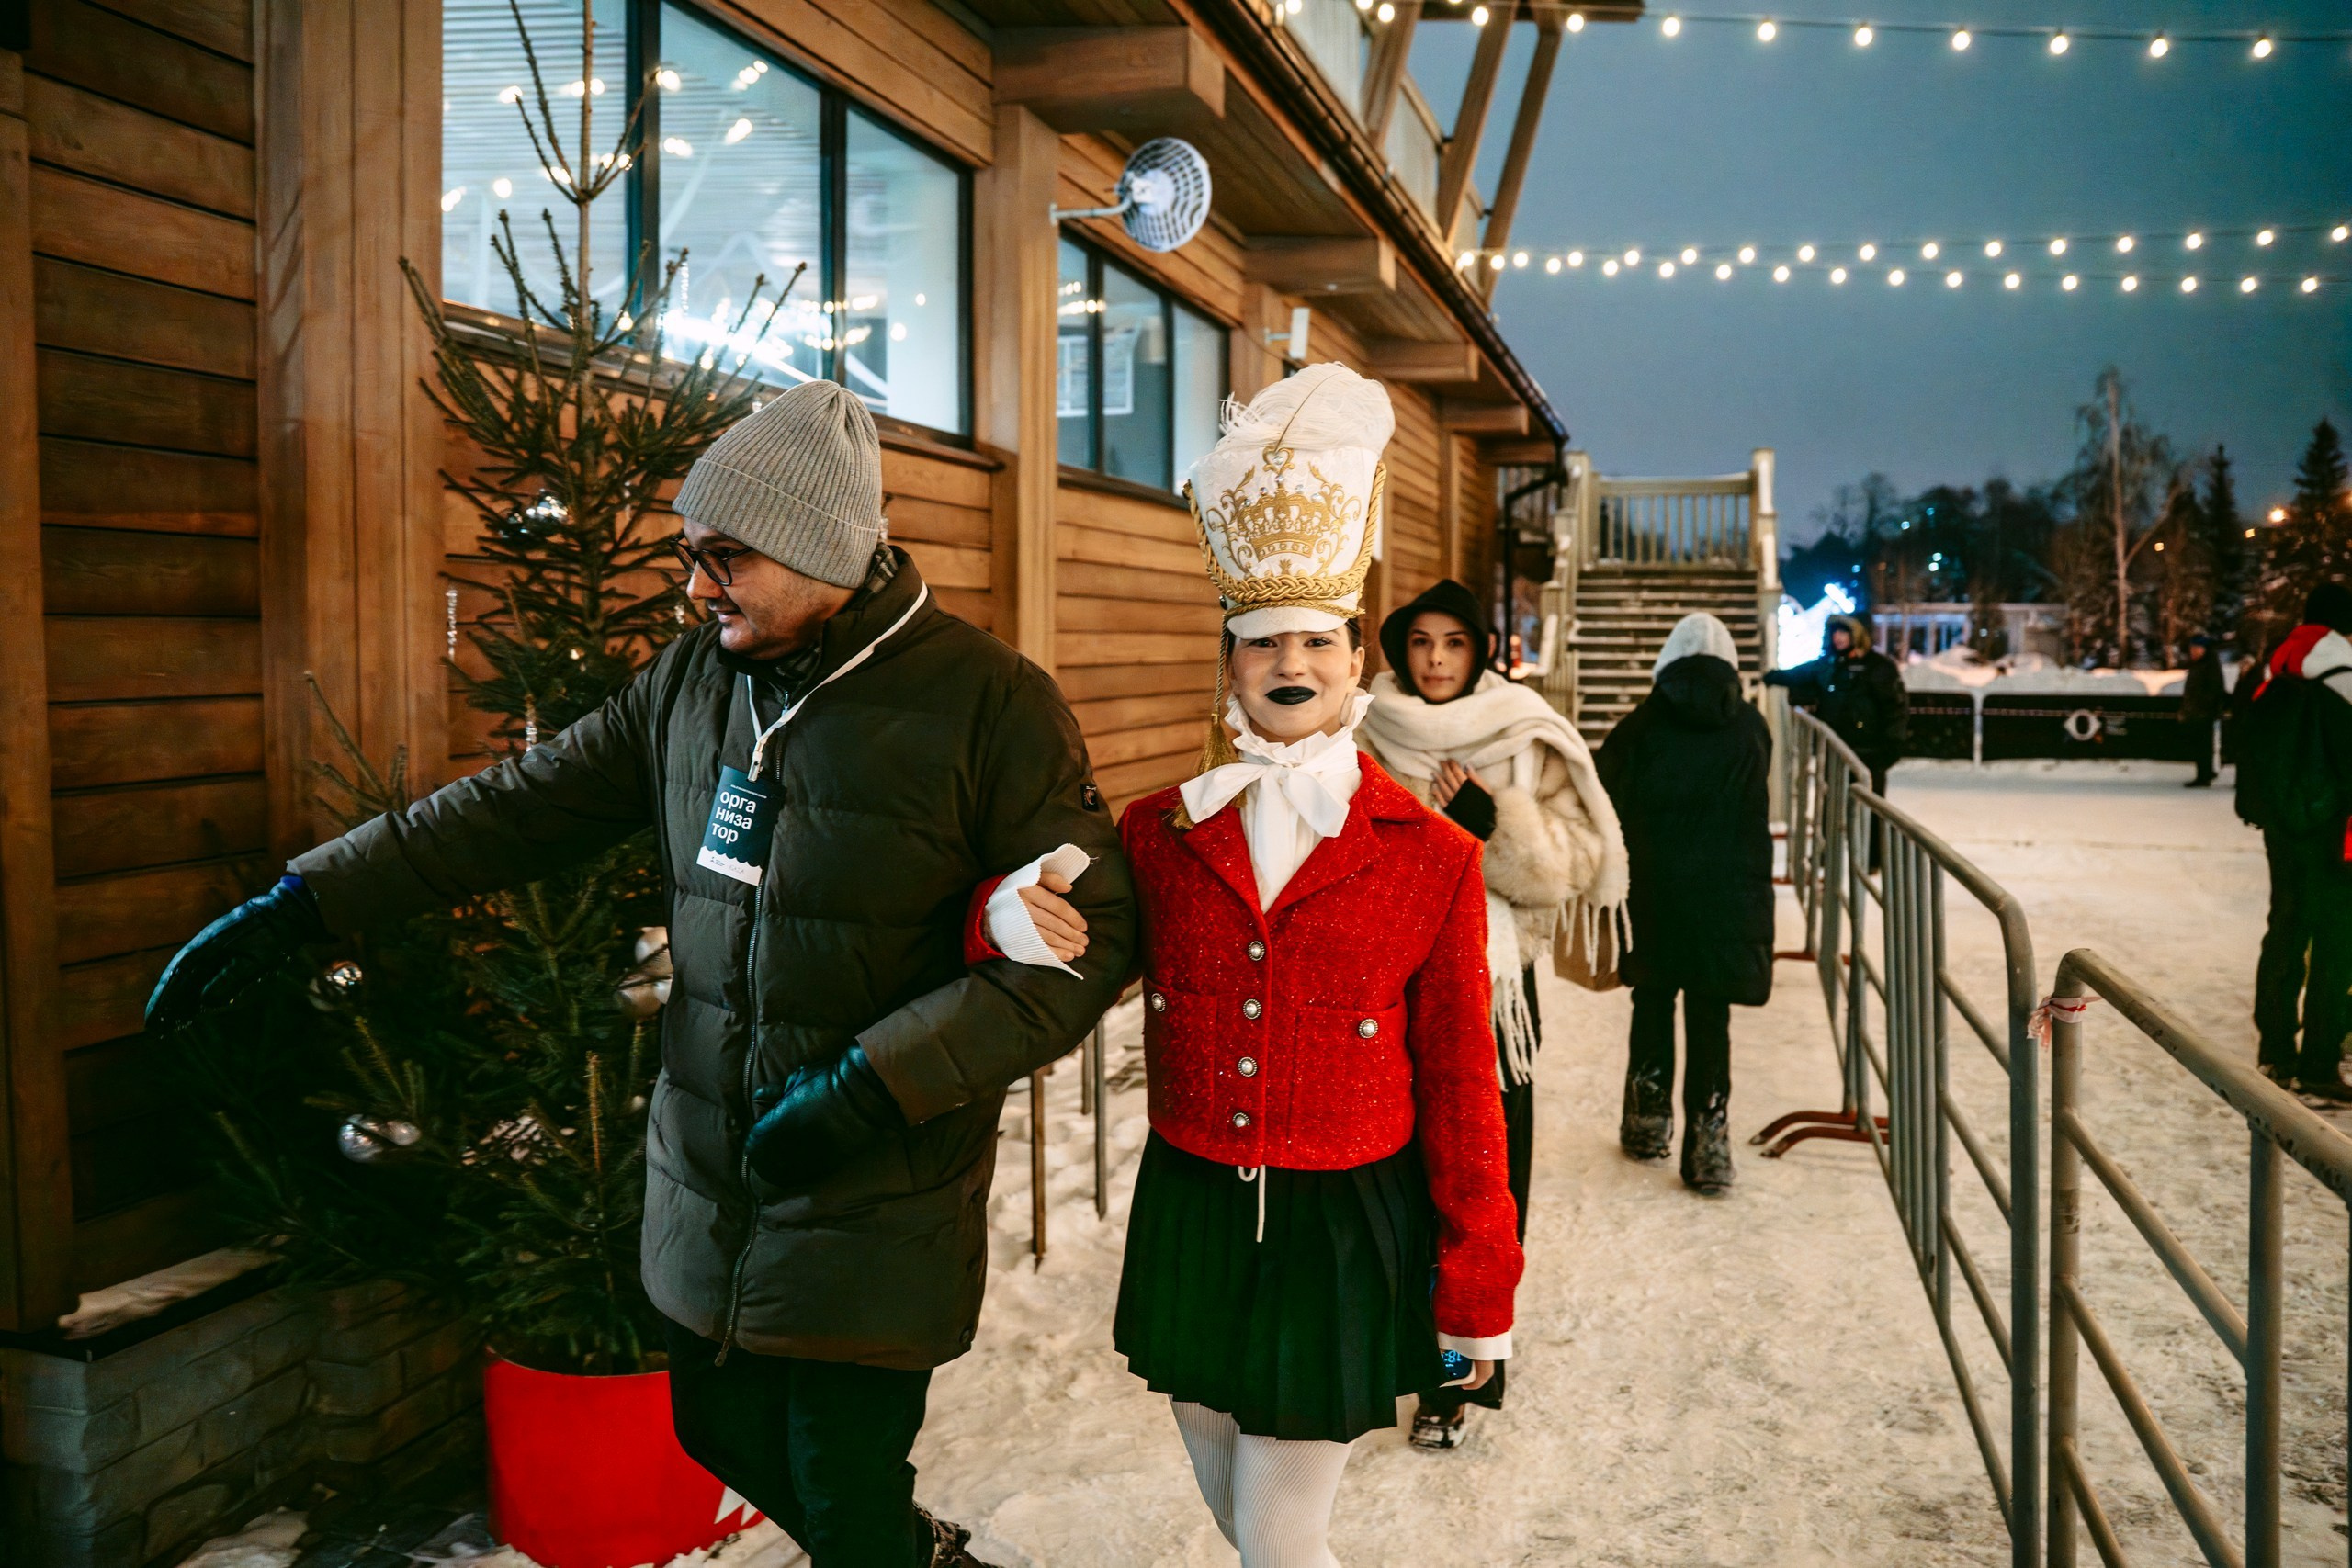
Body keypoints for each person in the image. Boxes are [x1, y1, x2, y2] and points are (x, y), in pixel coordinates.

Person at [144, 382, 1136, 1568]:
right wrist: (302, 905)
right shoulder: (691, 683)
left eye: (728, 557)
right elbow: (513, 809)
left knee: (845, 1494)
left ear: (823, 548)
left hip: (876, 1178)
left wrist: (873, 1085)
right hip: (711, 1161)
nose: (698, 586)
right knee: (719, 1429)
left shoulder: (988, 702)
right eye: (688, 555)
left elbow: (1088, 939)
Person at [992, 365, 1522, 1563]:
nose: (1293, 661)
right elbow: (1069, 955)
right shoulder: (1156, 831)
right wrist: (1007, 919)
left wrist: (1478, 1275)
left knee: (1279, 1541)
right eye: (1265, 640)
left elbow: (1461, 1079)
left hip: (1337, 1222)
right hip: (1193, 1202)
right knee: (1238, 1515)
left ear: (1354, 658)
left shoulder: (1432, 855)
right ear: (1230, 663)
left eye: (1318, 640)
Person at [1357, 577, 1625, 1449]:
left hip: (1494, 988)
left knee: (1481, 1181)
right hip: (1387, 985)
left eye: (1454, 643)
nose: (1436, 660)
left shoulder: (1527, 732)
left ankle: (1458, 1373)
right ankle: (1395, 1350)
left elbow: (1572, 863)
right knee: (1392, 1181)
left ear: (1480, 652)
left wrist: (1487, 821)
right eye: (1421, 641)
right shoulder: (1364, 728)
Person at [1598, 615, 1774, 1193]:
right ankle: (1709, 1142)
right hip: (1725, 895)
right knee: (1710, 1011)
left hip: (1654, 891)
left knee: (1651, 998)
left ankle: (1646, 1120)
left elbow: (1605, 795)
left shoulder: (1640, 726)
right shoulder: (1751, 727)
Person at [2233, 581, 2352, 1104]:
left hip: (2283, 827)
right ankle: (2319, 1065)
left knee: (2284, 928)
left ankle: (2276, 1052)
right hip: (2336, 832)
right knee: (2335, 943)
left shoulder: (2273, 669)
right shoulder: (2345, 675)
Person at [1763, 613, 1908, 798]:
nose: (1837, 637)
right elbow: (1800, 674)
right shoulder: (1829, 665)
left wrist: (1892, 746)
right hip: (1835, 747)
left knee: (1869, 803)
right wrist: (1772, 677)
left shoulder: (1877, 666)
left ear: (1856, 634)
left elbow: (1895, 708)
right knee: (1834, 802)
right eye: (1834, 632)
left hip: (1870, 750)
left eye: (1843, 632)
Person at [2181, 633, 2227, 786]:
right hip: (2198, 711)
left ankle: (2204, 775)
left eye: (2196, 649)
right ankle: (2205, 772)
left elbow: (2213, 690)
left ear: (2204, 649)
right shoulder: (2200, 664)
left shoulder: (2209, 666)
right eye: (2191, 649)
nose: (2192, 652)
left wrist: (2203, 708)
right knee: (2201, 745)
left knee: (2203, 745)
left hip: (2203, 712)